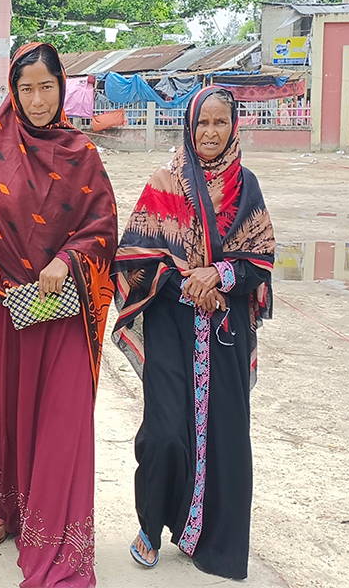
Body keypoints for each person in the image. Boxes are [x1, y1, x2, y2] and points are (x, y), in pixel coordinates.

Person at [0, 42, 117, 587]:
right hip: (5, 303)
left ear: (62, 87)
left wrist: (68, 259)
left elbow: (103, 225)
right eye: (26, 88)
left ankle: (54, 531)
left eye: (46, 86)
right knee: (8, 409)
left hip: (62, 309)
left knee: (59, 420)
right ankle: (10, 507)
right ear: (12, 92)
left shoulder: (81, 152)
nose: (37, 100)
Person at [112, 87, 275, 580]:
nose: (209, 133)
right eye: (202, 123)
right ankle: (151, 524)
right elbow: (133, 259)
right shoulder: (165, 183)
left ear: (234, 128)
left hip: (225, 333)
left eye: (220, 123)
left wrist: (222, 277)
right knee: (164, 433)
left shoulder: (247, 188)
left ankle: (212, 539)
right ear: (187, 125)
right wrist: (187, 280)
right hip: (172, 327)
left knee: (225, 437)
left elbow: (261, 261)